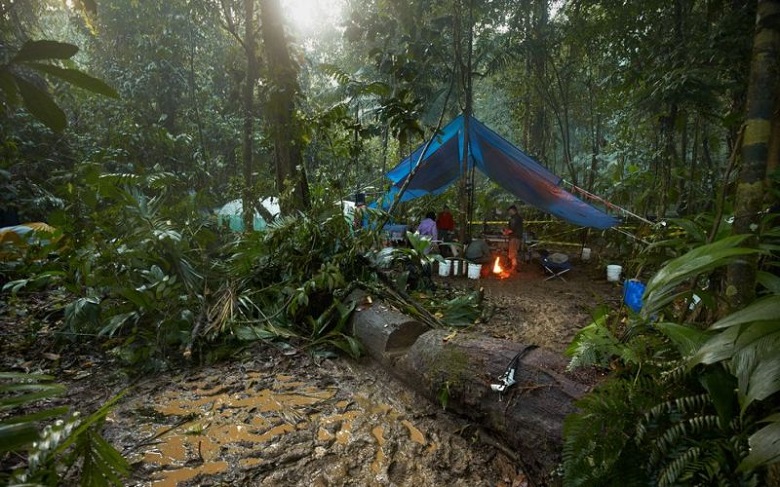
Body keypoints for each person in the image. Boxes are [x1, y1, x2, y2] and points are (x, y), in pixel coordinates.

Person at [503, 205, 523, 271]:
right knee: (515, 252)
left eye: (509, 211)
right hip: (517, 237)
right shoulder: (518, 217)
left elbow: (512, 229)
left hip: (514, 237)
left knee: (512, 253)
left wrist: (506, 232)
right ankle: (515, 267)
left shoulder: (514, 218)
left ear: (513, 210)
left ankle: (513, 268)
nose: (509, 212)